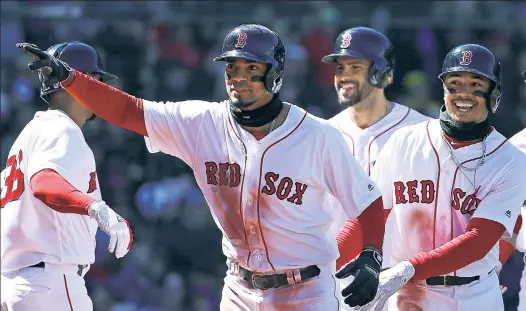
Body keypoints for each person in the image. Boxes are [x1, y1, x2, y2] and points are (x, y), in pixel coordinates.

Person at [17, 24, 385, 310]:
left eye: (251, 68)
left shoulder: (319, 136)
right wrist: (70, 79)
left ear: (275, 73)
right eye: (232, 67)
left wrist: (371, 256)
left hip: (307, 292)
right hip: (240, 289)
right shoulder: (201, 122)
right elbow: (130, 110)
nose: (238, 77)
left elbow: (369, 204)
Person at [353, 44, 526, 311]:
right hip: (405, 296)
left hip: (471, 297)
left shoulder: (510, 160)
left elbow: (479, 240)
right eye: (454, 83)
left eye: (475, 84)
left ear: (495, 93)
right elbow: (371, 213)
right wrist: (329, 261)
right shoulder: (404, 140)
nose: (463, 94)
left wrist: (406, 269)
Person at [1, 42, 134, 311]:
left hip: (18, 282)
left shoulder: (29, 135)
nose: (103, 90)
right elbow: (43, 182)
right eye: (97, 80)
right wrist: (95, 207)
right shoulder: (62, 129)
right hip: (50, 283)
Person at [319, 26, 430, 310]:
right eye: (340, 67)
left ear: (382, 72)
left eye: (355, 66)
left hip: (404, 284)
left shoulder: (421, 131)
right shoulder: (319, 133)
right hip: (335, 283)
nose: (343, 75)